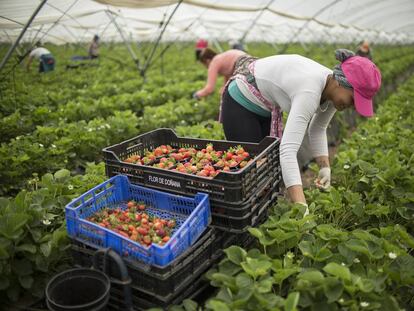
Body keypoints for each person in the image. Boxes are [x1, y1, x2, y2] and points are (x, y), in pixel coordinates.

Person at [220, 49, 381, 208]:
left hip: (265, 105)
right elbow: (288, 149)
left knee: (263, 170)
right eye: (353, 99)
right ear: (341, 82)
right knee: (248, 171)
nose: (352, 107)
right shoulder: (310, 90)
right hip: (240, 101)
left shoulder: (333, 91)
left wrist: (325, 167)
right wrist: (301, 207)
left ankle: (261, 215)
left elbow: (318, 128)